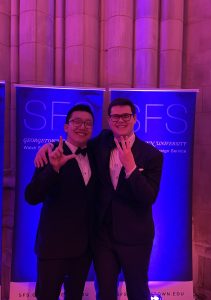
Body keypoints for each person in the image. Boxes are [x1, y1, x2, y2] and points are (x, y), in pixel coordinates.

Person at [34, 98, 163, 300]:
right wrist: (48, 146)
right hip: (102, 238)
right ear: (109, 121)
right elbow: (74, 142)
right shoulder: (100, 144)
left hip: (136, 238)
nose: (120, 120)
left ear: (135, 119)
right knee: (105, 293)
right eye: (115, 117)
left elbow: (148, 197)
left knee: (138, 292)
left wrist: (130, 167)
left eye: (126, 116)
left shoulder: (152, 155)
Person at [25, 104, 97, 300]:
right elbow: (31, 196)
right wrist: (53, 169)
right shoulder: (52, 153)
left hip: (83, 249)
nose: (82, 127)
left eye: (88, 123)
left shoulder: (96, 153)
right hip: (53, 247)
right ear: (66, 127)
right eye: (77, 122)